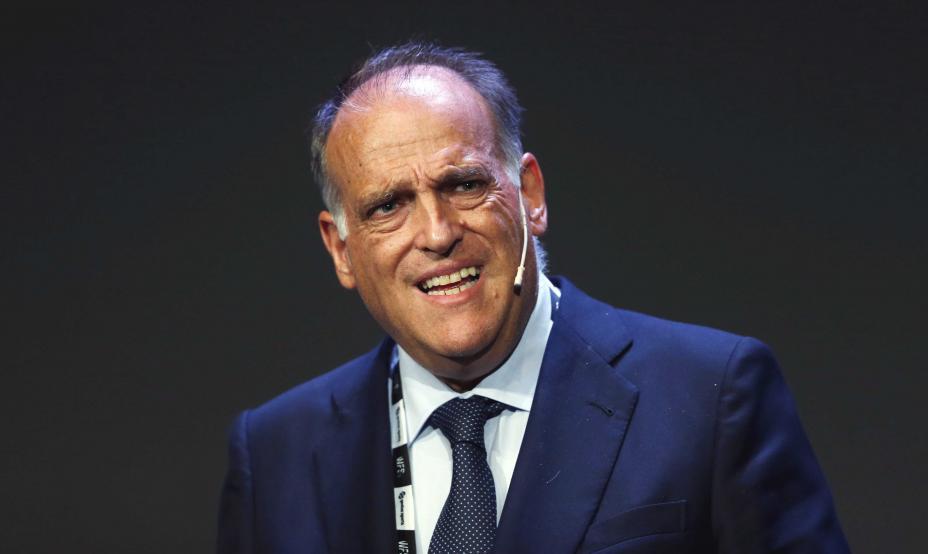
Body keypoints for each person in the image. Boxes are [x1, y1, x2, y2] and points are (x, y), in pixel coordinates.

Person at [217, 42, 850, 553]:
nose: (437, 233)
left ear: (531, 195)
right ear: (341, 249)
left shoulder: (712, 397)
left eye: (464, 185)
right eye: (387, 206)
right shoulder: (274, 454)